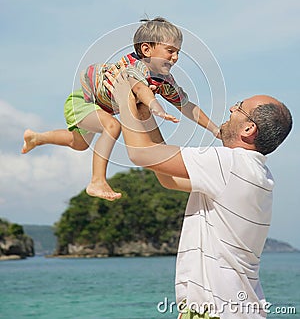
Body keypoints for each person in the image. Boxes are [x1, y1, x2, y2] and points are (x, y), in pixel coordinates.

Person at [104, 68, 292, 319]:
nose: (231, 110)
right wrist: (144, 113)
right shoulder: (255, 173)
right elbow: (167, 178)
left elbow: (140, 154)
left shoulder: (231, 164)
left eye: (238, 107)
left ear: (249, 129)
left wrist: (123, 92)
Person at [22, 18, 219, 201]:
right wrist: (155, 107)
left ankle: (37, 138)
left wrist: (214, 129)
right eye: (170, 50)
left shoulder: (165, 80)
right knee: (112, 126)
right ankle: (97, 181)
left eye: (178, 52)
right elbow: (141, 89)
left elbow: (187, 106)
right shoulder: (136, 67)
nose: (175, 57)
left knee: (79, 143)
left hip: (103, 108)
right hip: (83, 101)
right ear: (147, 49)